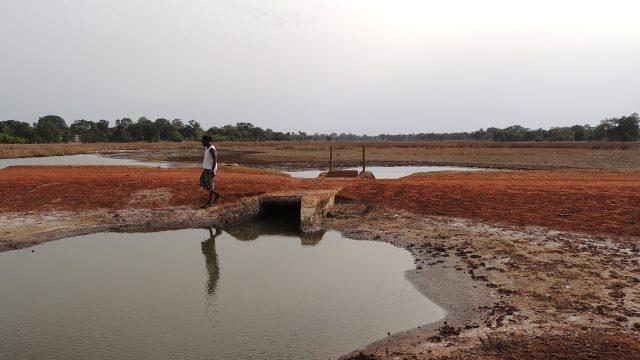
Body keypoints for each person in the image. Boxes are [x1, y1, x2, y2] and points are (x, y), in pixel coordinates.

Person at [199, 135, 221, 207]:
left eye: (203, 141)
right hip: (206, 168)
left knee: (210, 186)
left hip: (210, 169)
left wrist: (213, 170)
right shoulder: (207, 148)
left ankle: (209, 203)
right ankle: (216, 194)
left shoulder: (211, 149)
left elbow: (215, 159)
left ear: (207, 141)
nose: (202, 142)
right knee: (202, 182)